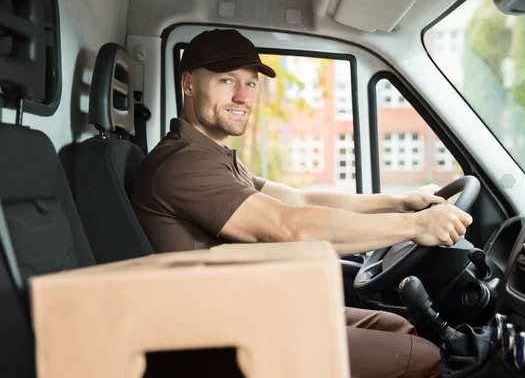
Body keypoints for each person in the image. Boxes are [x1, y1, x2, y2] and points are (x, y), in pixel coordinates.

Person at [132, 28, 473, 377]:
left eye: (250, 84)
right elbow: (289, 228)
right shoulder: (186, 164)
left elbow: (300, 199)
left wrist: (400, 202)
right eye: (226, 81)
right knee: (423, 357)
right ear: (189, 84)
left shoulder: (212, 155)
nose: (242, 96)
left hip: (252, 311)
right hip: (224, 335)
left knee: (394, 326)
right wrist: (415, 226)